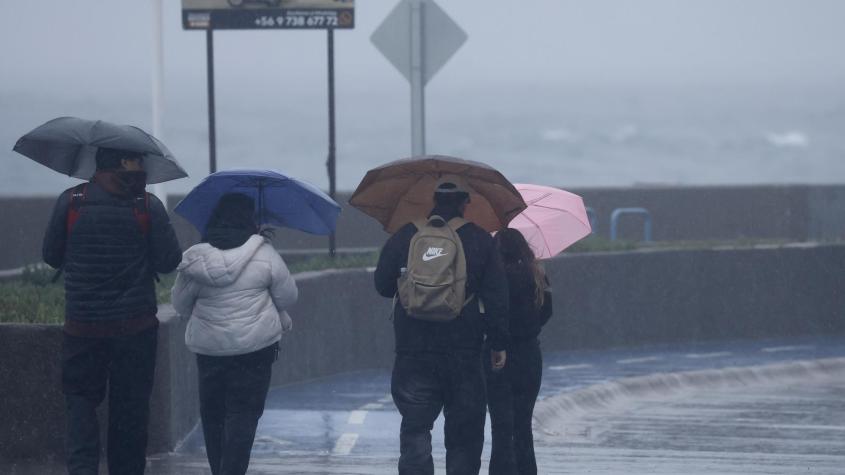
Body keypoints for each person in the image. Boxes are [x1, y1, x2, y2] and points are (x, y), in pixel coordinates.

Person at [42, 147, 182, 475]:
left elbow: (51, 255)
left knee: (80, 409)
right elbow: (169, 261)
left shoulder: (71, 201)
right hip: (134, 330)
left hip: (82, 329)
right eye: (138, 159)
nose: (144, 165)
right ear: (124, 163)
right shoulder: (147, 205)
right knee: (129, 416)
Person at [374, 178, 510, 475]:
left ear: (433, 200)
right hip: (464, 351)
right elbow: (498, 297)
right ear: (464, 203)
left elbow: (382, 285)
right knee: (464, 433)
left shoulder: (406, 235)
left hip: (413, 350)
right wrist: (498, 343)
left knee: (416, 427)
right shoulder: (480, 239)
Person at [171, 192, 298, 475]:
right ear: (249, 220)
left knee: (213, 416)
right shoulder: (264, 253)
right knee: (243, 414)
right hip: (255, 350)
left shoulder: (197, 258)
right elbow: (288, 297)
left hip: (210, 351)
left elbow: (180, 304)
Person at [485, 228, 553, 475]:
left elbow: (491, 314)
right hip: (529, 354)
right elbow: (546, 312)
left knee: (501, 425)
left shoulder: (493, 277)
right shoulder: (536, 273)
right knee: (523, 423)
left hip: (498, 354)